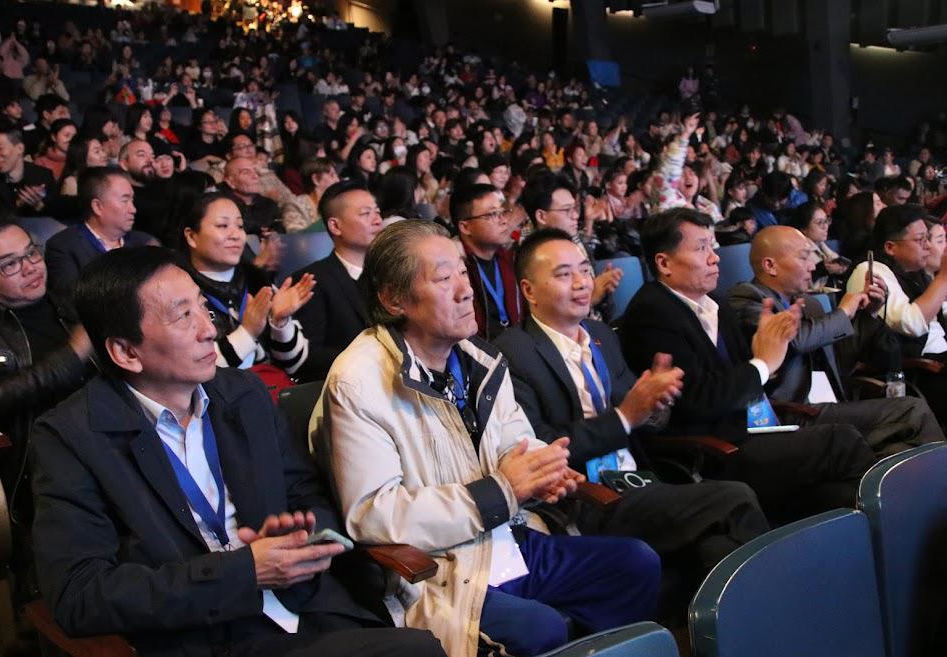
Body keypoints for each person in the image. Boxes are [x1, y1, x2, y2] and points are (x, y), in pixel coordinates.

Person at [32, 246, 446, 657]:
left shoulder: (241, 393)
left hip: (304, 608)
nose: (209, 330)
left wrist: (304, 536)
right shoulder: (71, 437)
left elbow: (306, 494)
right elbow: (80, 595)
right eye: (182, 317)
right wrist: (243, 572)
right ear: (125, 352)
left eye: (203, 310)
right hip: (199, 633)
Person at [311, 220, 661, 657]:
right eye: (443, 279)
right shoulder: (358, 382)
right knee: (541, 627)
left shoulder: (481, 358)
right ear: (392, 298)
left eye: (463, 272)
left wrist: (543, 470)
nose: (464, 290)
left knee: (636, 564)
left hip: (511, 538)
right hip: (442, 571)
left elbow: (514, 442)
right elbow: (374, 516)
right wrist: (500, 492)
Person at [494, 229, 769, 573]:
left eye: (584, 269)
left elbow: (644, 418)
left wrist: (656, 404)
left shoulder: (600, 336)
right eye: (564, 275)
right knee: (734, 497)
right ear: (529, 291)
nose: (581, 283)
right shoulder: (512, 353)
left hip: (638, 480)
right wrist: (625, 417)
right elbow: (540, 447)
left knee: (716, 545)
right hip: (589, 497)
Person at [620, 208, 875, 520]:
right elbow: (700, 400)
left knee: (841, 497)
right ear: (664, 262)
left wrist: (768, 356)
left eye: (713, 246)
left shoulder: (716, 305)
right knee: (841, 439)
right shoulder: (652, 314)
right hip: (713, 450)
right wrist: (762, 363)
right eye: (701, 248)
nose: (715, 258)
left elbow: (751, 378)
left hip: (754, 431)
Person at [0, 215, 94, 591]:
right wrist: (72, 356)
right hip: (30, 460)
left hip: (106, 436)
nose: (30, 267)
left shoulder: (68, 303)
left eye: (31, 253)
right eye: (9, 264)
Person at [729, 226, 944, 457]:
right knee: (911, 410)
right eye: (803, 257)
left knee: (899, 449)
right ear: (770, 265)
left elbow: (841, 361)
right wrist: (844, 312)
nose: (813, 265)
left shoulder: (810, 305)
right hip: (792, 411)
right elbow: (793, 340)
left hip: (830, 403)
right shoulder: (747, 298)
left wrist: (868, 313)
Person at [182, 193, 313, 374]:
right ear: (191, 236)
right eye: (222, 225)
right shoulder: (181, 292)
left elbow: (296, 365)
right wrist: (247, 332)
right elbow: (192, 368)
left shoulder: (258, 282)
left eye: (240, 226)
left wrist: (280, 323)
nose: (236, 235)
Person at [845, 204, 947, 422]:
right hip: (920, 373)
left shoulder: (917, 274)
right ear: (890, 247)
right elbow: (913, 325)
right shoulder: (871, 271)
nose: (927, 247)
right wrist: (944, 277)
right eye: (921, 240)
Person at [291, 180, 381, 382]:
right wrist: (373, 361)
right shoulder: (312, 281)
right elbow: (309, 356)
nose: (377, 220)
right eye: (365, 214)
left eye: (377, 212)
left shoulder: (388, 274)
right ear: (335, 226)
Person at [521, 174, 622, 321]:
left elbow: (607, 313)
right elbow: (541, 320)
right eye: (566, 210)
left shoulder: (578, 245)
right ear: (542, 216)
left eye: (575, 208)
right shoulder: (527, 258)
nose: (575, 215)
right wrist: (592, 296)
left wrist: (603, 289)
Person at [45, 167, 156, 299]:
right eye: (125, 201)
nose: (133, 209)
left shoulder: (145, 242)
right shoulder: (64, 247)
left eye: (132, 201)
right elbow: (71, 302)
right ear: (97, 206)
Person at [453, 183, 525, 340]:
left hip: (516, 345)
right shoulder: (456, 268)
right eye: (492, 214)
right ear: (465, 227)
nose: (504, 221)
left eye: (503, 212)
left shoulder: (510, 259)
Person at [0, 123, 57, 216]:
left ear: (20, 148)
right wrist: (17, 204)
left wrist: (40, 206)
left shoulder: (43, 175)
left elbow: (56, 212)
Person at [219, 157, 281, 236]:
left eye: (255, 171)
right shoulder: (220, 206)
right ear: (230, 182)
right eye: (246, 173)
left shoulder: (269, 204)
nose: (255, 176)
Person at [282, 157, 340, 233]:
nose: (338, 180)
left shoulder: (337, 202)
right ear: (315, 179)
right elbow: (297, 236)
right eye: (332, 175)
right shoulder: (295, 206)